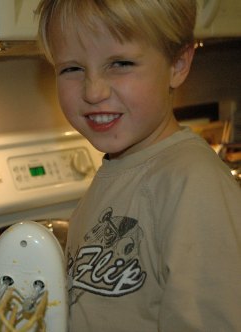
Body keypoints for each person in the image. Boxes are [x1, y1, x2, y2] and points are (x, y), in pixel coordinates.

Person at [36, 0, 241, 330]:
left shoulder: (192, 183)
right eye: (72, 68)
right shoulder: (118, 172)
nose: (93, 91)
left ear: (178, 64)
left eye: (120, 63)